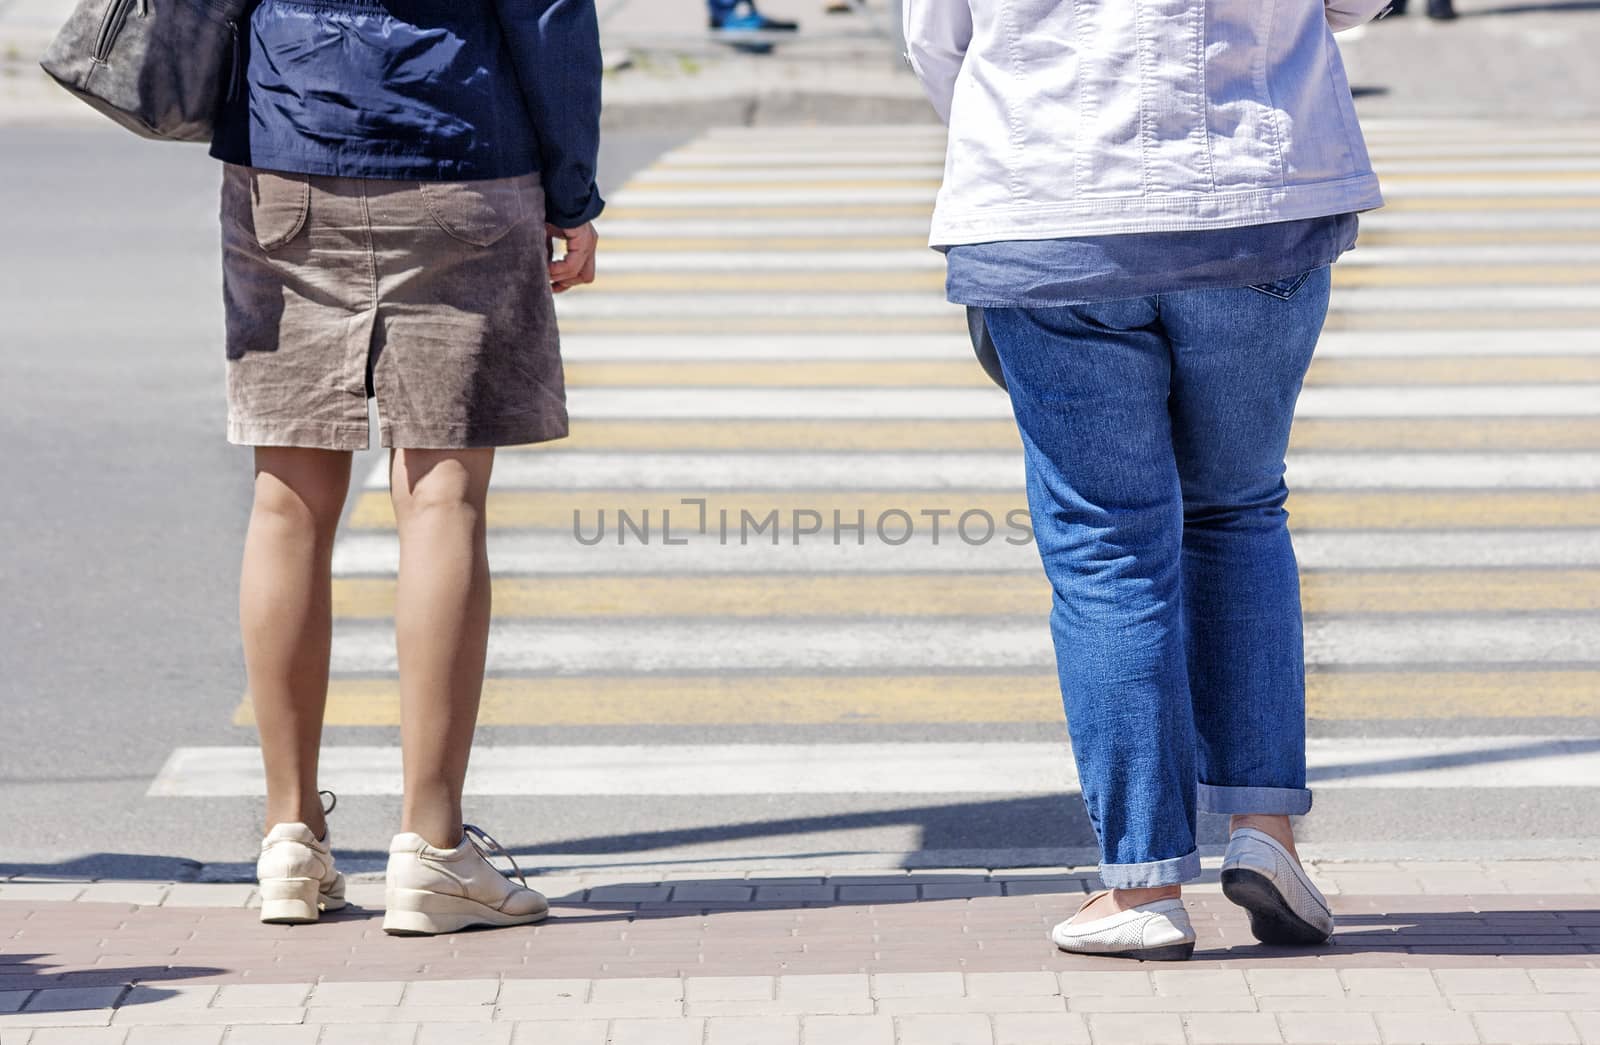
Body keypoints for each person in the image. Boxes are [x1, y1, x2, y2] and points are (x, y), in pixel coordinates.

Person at [905, 0, 1389, 960]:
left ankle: (1142, 886)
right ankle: (1266, 835)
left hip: (1048, 208)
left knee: (1107, 547)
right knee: (1240, 512)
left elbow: (937, 41)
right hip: (1257, 196)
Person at [210, 0, 603, 935]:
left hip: (286, 145)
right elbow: (548, 17)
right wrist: (574, 193)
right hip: (459, 144)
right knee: (442, 497)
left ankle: (290, 839)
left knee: (287, 500)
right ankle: (431, 847)